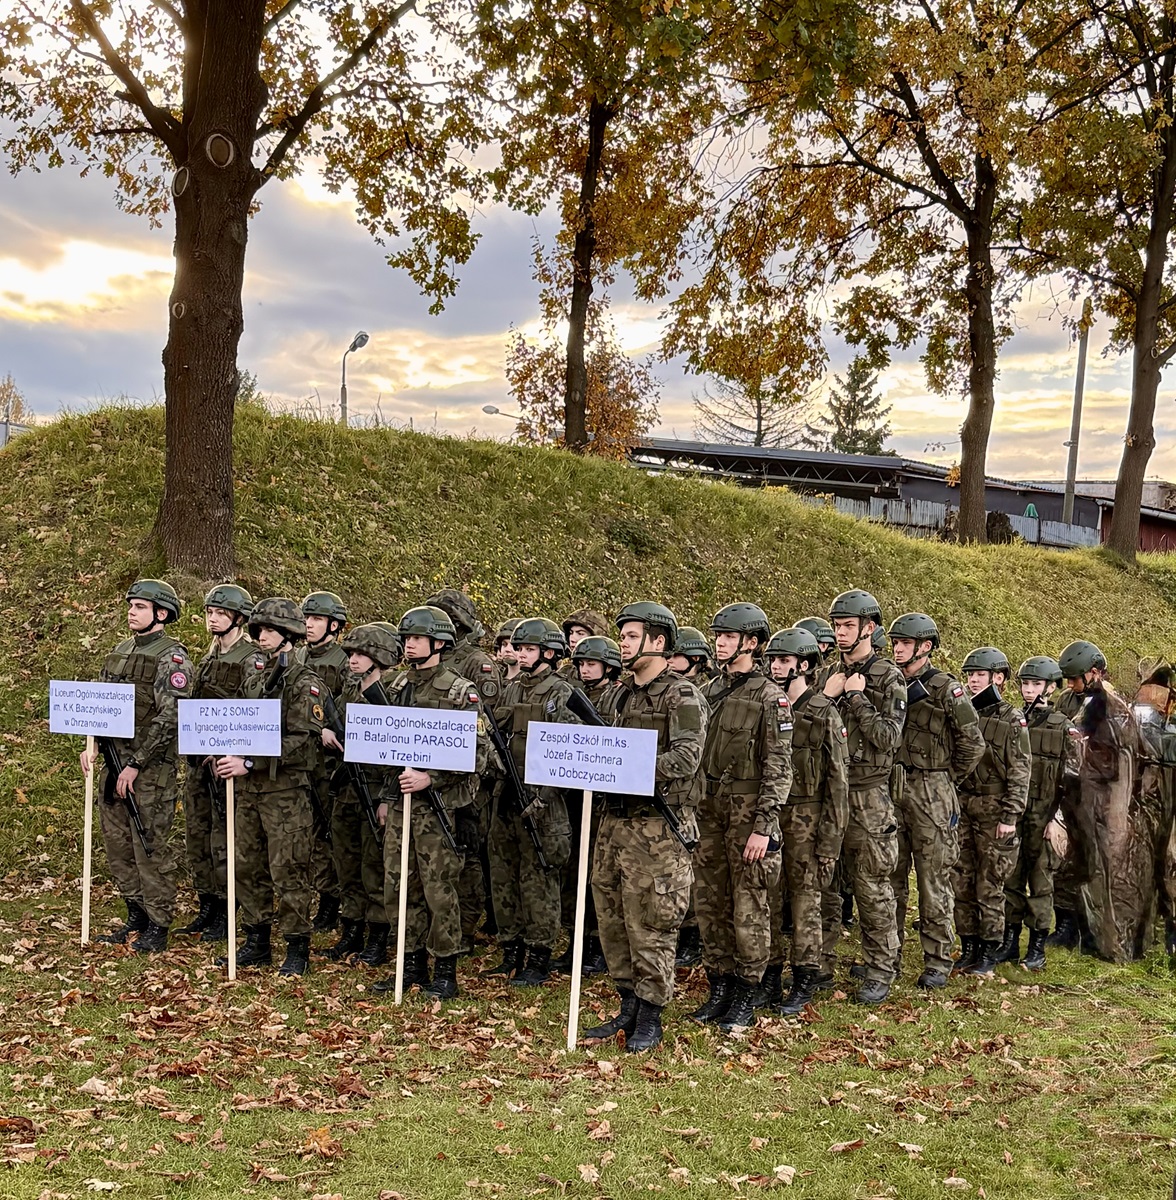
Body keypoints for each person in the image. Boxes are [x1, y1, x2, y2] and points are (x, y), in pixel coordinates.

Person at [585, 602, 707, 1052]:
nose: (623, 643)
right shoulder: (617, 695)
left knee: (652, 923)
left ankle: (651, 1014)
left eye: (632, 635)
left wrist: (628, 768)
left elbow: (686, 758)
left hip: (658, 828)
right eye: (623, 635)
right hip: (613, 824)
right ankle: (628, 1004)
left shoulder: (682, 696)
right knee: (612, 918)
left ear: (659, 642)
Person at [372, 606, 487, 1000]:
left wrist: (431, 777)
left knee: (439, 889)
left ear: (439, 643)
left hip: (440, 808)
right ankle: (411, 964)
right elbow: (382, 742)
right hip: (401, 804)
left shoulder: (459, 692)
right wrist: (386, 795)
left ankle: (446, 970)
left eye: (417, 638)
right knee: (399, 885)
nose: (409, 644)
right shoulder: (395, 686)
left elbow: (478, 752)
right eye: (406, 638)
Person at [691, 603, 792, 1033]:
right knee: (710, 900)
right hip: (708, 808)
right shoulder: (707, 690)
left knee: (749, 902)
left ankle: (748, 991)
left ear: (751, 642)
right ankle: (720, 984)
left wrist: (764, 827)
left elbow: (779, 767)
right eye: (718, 636)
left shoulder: (770, 697)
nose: (720, 643)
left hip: (748, 810)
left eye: (728, 636)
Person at [214, 598, 324, 976]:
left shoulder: (304, 683)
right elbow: (236, 725)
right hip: (248, 791)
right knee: (247, 866)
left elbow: (302, 742)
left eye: (271, 631)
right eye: (259, 630)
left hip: (285, 793)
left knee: (288, 870)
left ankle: (297, 947)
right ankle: (257, 940)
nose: (262, 637)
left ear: (289, 636)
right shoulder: (254, 681)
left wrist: (250, 762)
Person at [81, 580, 193, 953]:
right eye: (130, 605)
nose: (131, 611)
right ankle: (136, 914)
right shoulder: (120, 652)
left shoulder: (172, 658)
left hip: (150, 772)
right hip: (113, 765)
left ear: (161, 613)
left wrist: (136, 763)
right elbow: (98, 705)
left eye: (140, 606)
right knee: (118, 845)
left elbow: (171, 716)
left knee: (149, 847)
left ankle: (158, 924)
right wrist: (91, 746)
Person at [887, 612, 985, 988]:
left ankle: (938, 959)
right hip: (893, 787)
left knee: (933, 880)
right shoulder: (889, 682)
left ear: (924, 647)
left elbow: (972, 743)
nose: (897, 649)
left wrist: (945, 778)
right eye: (895, 642)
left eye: (904, 643)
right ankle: (888, 955)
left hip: (933, 790)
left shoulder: (946, 688)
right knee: (890, 877)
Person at [819, 589, 905, 1004]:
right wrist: (827, 697)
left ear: (868, 628)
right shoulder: (829, 674)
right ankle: (818, 965)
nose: (840, 632)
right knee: (824, 885)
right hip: (828, 793)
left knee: (871, 886)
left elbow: (888, 738)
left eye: (848, 625)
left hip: (868, 797)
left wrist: (856, 697)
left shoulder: (889, 677)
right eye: (836, 626)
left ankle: (881, 968)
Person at [486, 617, 576, 986]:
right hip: (506, 795)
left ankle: (539, 956)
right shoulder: (511, 690)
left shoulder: (562, 693)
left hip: (543, 802)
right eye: (518, 648)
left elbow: (572, 752)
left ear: (549, 653)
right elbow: (493, 733)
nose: (520, 654)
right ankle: (511, 951)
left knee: (539, 880)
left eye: (528, 649)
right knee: (504, 876)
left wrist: (544, 797)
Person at [764, 627, 849, 1014]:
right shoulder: (770, 706)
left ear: (804, 665)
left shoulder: (823, 712)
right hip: (772, 816)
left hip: (808, 820)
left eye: (783, 660)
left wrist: (830, 841)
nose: (775, 667)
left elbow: (838, 783)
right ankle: (768, 975)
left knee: (805, 904)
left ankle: (804, 978)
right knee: (768, 899)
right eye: (773, 660)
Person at [1056, 640, 1144, 961]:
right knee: (1069, 862)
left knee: (1102, 867)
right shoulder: (1067, 700)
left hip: (1103, 798)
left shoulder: (1116, 710)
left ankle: (1102, 935)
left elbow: (1124, 762)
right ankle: (1067, 926)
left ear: (1094, 673)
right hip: (1071, 792)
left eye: (1074, 678)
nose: (1070, 684)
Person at [427, 589, 503, 956]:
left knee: (467, 853)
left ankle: (466, 926)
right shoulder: (430, 660)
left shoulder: (476, 662)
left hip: (469, 778)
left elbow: (485, 723)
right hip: (432, 774)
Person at [177, 583, 255, 943]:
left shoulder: (251, 659)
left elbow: (254, 714)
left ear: (238, 618)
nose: (213, 619)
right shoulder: (209, 658)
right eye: (210, 612)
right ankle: (206, 904)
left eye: (221, 613)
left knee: (225, 838)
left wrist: (226, 747)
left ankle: (227, 909)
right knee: (198, 835)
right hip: (200, 761)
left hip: (228, 763)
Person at [323, 623, 402, 967]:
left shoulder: (394, 692)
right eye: (351, 654)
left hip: (376, 787)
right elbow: (335, 719)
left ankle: (378, 935)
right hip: (348, 788)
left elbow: (400, 750)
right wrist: (326, 730)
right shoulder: (351, 689)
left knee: (374, 865)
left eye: (360, 654)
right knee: (347, 861)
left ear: (379, 657)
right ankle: (351, 928)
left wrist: (387, 797)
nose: (353, 660)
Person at [951, 646, 1032, 977]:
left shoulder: (1012, 719)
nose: (973, 680)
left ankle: (989, 949)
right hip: (963, 805)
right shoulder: (962, 712)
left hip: (994, 809)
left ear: (998, 678)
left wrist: (1010, 817)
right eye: (970, 675)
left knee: (990, 882)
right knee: (961, 879)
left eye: (980, 675)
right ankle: (968, 945)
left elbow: (1020, 771)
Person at [1000, 656, 1081, 971]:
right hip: (1017, 814)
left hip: (1046, 817)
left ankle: (1036, 947)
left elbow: (1077, 782)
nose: (1029, 689)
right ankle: (1009, 941)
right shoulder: (1014, 721)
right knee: (1011, 877)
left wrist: (1059, 820)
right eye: (1025, 683)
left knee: (1041, 882)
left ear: (1050, 687)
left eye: (1035, 684)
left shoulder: (1064, 728)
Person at [551, 635, 623, 977]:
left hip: (603, 801)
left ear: (609, 667)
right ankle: (575, 939)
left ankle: (597, 944)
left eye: (591, 663)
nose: (584, 669)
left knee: (598, 872)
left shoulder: (618, 697)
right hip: (573, 795)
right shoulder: (569, 694)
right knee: (573, 871)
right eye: (580, 664)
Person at [298, 590, 350, 935]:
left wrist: (330, 729)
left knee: (330, 833)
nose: (309, 625)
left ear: (333, 625)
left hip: (330, 764)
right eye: (306, 618)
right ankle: (318, 894)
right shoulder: (297, 656)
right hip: (300, 758)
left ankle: (333, 899)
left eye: (316, 619)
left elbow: (350, 706)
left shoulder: (344, 661)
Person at [558, 609, 610, 679]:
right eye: (571, 633)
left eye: (580, 633)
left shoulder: (610, 676)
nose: (572, 639)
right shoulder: (565, 672)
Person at [494, 618, 525, 683]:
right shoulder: (494, 677)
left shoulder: (530, 682)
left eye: (513, 645)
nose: (507, 649)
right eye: (504, 644)